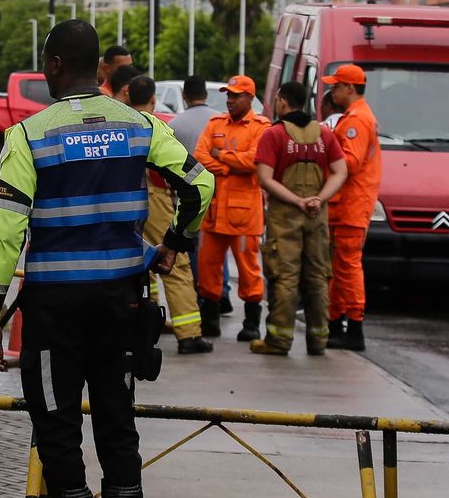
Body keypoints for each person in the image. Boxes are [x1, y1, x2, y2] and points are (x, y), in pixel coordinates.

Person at [0, 20, 212, 498]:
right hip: (120, 306)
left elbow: (6, 229)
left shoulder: (28, 136)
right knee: (117, 428)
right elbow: (199, 184)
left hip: (55, 312)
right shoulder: (138, 126)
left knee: (57, 430)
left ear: (53, 65)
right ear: (97, 65)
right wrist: (175, 244)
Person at [250, 81, 348, 355]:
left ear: (282, 101)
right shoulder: (325, 134)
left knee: (285, 275)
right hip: (317, 216)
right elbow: (341, 171)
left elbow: (265, 178)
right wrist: (319, 199)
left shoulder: (275, 135)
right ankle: (319, 340)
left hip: (286, 216)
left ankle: (278, 340)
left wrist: (297, 201)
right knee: (318, 275)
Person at [127, 75, 209, 355]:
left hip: (126, 203)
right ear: (153, 99)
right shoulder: (153, 127)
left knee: (138, 258)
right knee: (174, 262)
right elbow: (187, 178)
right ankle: (189, 334)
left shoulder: (118, 123)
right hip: (157, 199)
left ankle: (144, 321)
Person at [193, 75, 269, 342]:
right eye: (228, 95)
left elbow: (254, 161)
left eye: (236, 96)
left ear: (250, 98)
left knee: (248, 270)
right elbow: (200, 156)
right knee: (207, 268)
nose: (230, 100)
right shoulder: (215, 123)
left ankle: (251, 324)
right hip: (214, 213)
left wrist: (221, 156)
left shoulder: (261, 127)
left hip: (244, 215)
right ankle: (210, 322)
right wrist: (228, 167)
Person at [322, 63, 381, 351]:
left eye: (335, 85)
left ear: (348, 88)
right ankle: (338, 324)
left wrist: (319, 161)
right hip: (346, 204)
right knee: (341, 267)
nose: (332, 90)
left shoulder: (357, 120)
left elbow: (350, 163)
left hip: (350, 205)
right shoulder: (355, 116)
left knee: (347, 265)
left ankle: (354, 326)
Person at [167, 74, 215, 156]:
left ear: (183, 95)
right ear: (206, 94)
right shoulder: (220, 121)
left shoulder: (173, 125)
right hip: (213, 169)